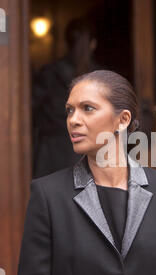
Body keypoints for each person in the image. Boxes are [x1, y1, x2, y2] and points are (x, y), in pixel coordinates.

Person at [16, 70, 156, 275]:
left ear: (122, 120)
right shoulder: (47, 196)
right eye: (70, 110)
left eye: (87, 108)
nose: (73, 119)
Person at [32, 18, 100, 178]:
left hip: (51, 157)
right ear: (93, 44)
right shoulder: (103, 78)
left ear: (66, 43)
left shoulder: (48, 74)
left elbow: (31, 112)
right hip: (90, 157)